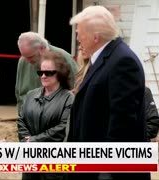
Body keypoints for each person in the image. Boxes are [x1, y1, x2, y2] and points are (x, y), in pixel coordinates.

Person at [67, 5, 150, 180]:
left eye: (79, 32)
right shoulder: (104, 58)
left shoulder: (122, 61)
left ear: (95, 36)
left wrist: (106, 170)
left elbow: (122, 124)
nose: (77, 38)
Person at [18, 51, 74, 180]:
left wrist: (34, 141)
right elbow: (21, 120)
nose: (43, 76)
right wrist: (26, 141)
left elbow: (62, 128)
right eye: (40, 72)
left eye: (48, 73)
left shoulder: (68, 99)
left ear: (59, 74)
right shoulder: (31, 95)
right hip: (30, 161)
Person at [15, 31, 78, 114]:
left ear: (41, 48)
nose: (27, 61)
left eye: (30, 57)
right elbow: (19, 93)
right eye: (24, 56)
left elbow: (76, 91)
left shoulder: (65, 59)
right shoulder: (23, 61)